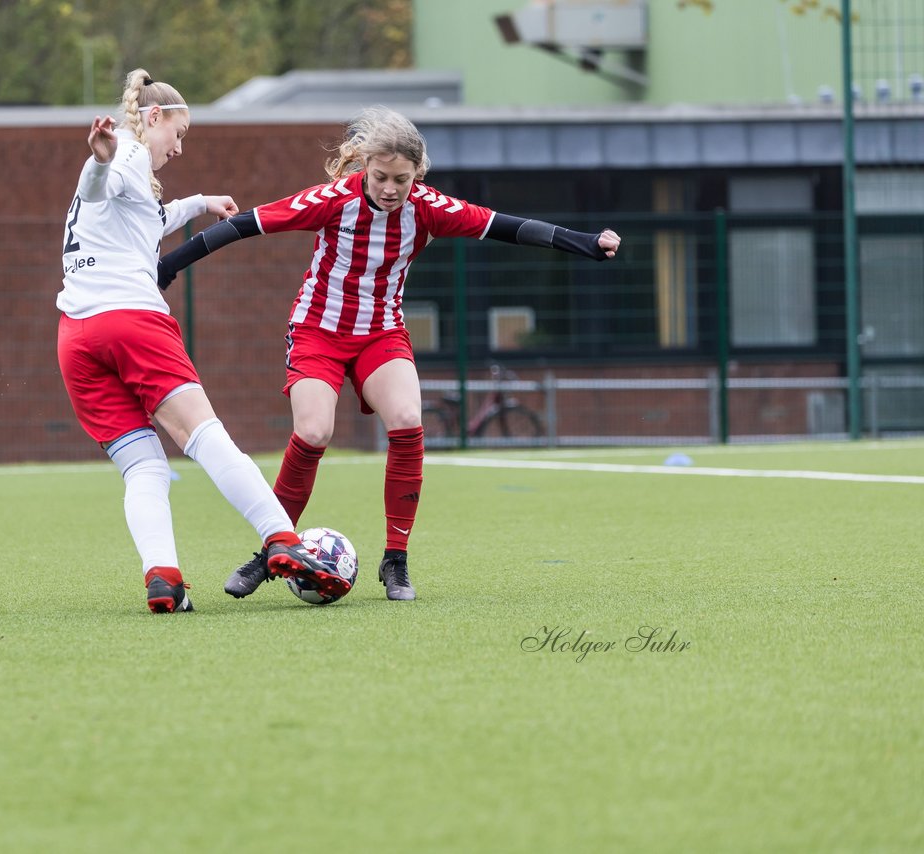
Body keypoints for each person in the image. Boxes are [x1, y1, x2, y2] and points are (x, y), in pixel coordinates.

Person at [157, 106, 621, 602]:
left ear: (416, 175)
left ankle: (395, 559)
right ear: (363, 167)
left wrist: (585, 242)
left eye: (401, 179)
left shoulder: (427, 207)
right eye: (380, 177)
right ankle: (272, 549)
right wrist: (169, 265)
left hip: (381, 333)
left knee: (406, 419)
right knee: (314, 431)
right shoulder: (334, 199)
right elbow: (246, 224)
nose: (390, 189)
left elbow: (504, 226)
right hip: (318, 331)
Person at [56, 68, 348, 613]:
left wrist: (200, 202)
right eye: (179, 134)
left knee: (143, 466)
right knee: (204, 435)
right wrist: (99, 159)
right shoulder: (126, 153)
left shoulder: (130, 169)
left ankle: (163, 579)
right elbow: (101, 186)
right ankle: (281, 539)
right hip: (131, 321)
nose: (179, 147)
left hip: (77, 336)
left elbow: (145, 222)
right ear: (153, 118)